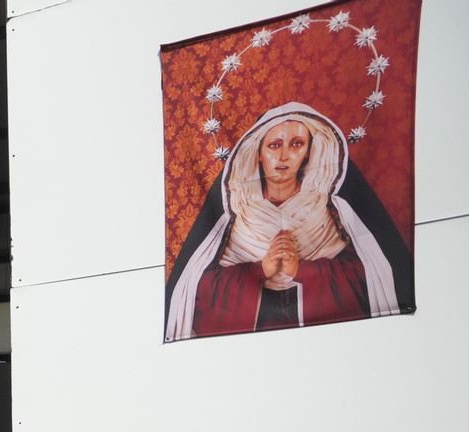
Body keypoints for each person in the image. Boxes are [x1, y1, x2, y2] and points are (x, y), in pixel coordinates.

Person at [165, 102, 411, 340]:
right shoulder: (236, 215)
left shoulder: (333, 211)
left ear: (308, 152)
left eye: (296, 144)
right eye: (273, 145)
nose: (284, 156)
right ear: (258, 153)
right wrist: (261, 270)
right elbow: (197, 291)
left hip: (329, 342)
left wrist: (301, 270)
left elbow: (369, 276)